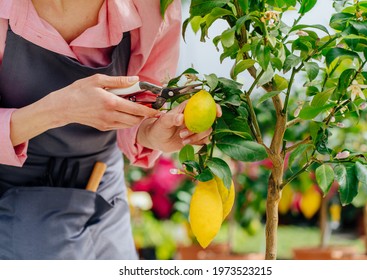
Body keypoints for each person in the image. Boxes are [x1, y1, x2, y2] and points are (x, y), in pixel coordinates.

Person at [0, 0, 216, 259]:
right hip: (14, 198)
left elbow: (142, 102)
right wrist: (61, 109)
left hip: (102, 194)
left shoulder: (153, 7)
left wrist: (152, 132)